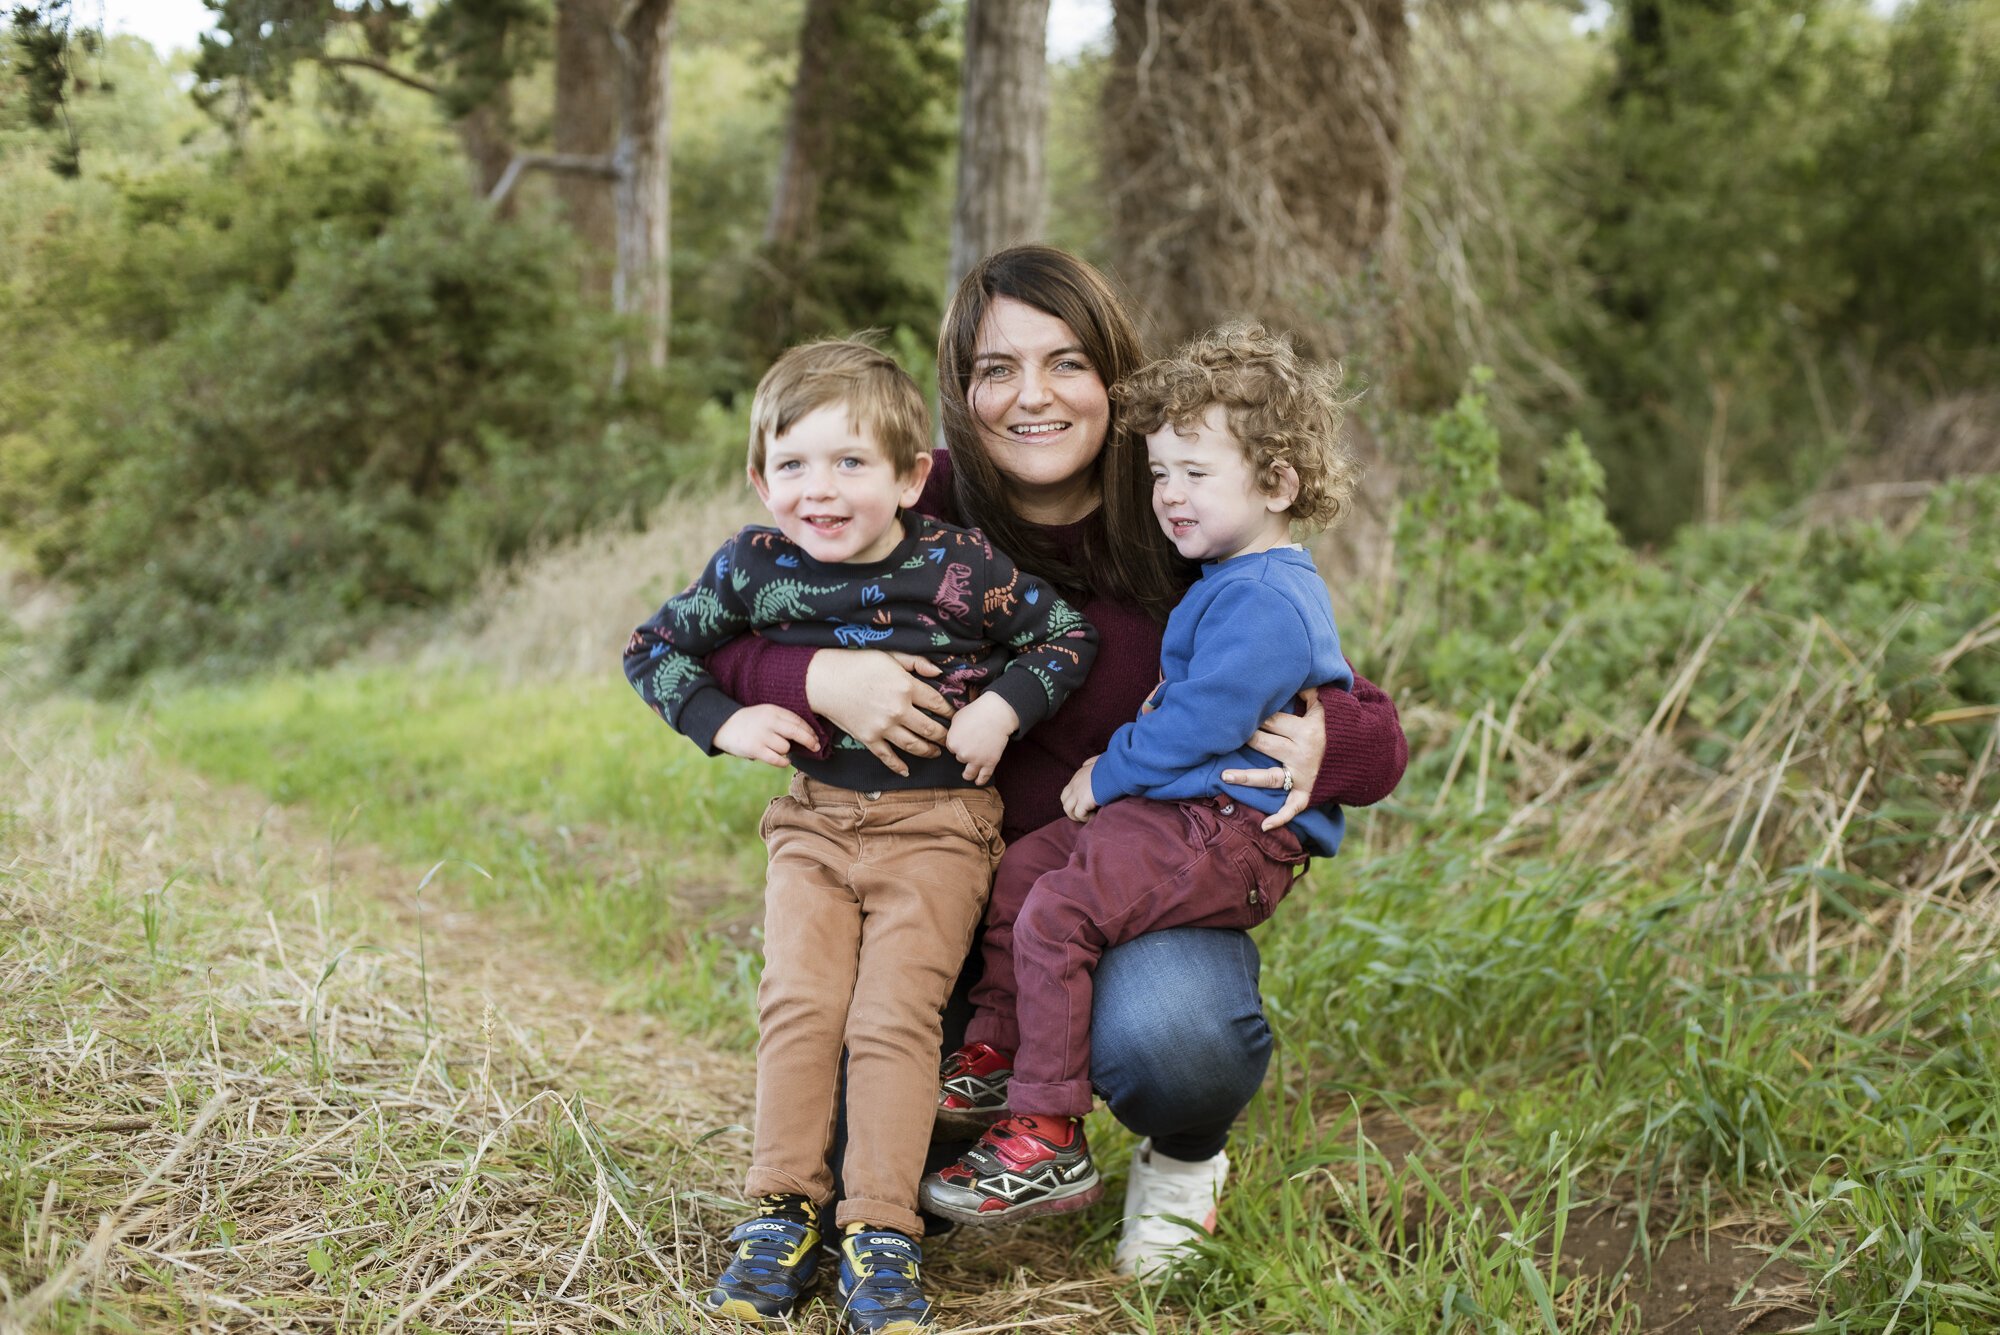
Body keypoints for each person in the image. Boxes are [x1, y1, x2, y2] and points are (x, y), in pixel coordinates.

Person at [704, 246, 1408, 1280]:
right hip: (931, 880)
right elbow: (723, 625)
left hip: (1120, 881)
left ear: (1113, 374)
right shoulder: (911, 499)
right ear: (961, 388)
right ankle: (979, 1117)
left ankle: (1182, 1156)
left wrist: (1327, 741)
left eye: (1066, 362)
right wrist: (811, 675)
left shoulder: (1178, 503)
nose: (1032, 396)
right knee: (867, 1147)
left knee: (1177, 1035)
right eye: (997, 369)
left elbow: (1367, 721)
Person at [623, 338, 1097, 1333]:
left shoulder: (959, 563)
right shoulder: (752, 566)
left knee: (892, 1020)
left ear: (910, 476)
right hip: (815, 822)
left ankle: (881, 1228)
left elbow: (1064, 636)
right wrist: (724, 721)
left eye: (850, 462)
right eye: (792, 464)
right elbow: (653, 647)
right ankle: (781, 1210)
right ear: (761, 479)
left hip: (938, 829)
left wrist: (1002, 707)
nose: (820, 489)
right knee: (798, 1003)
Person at [918, 324, 1358, 1252]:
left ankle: (1049, 1130)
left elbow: (1205, 720)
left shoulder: (1261, 594)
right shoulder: (1222, 569)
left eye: (1195, 473)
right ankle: (995, 1053)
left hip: (1217, 827)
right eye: (1160, 473)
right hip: (1158, 814)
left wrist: (1110, 769)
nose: (1170, 495)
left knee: (1058, 914)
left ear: (1277, 483)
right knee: (1029, 873)